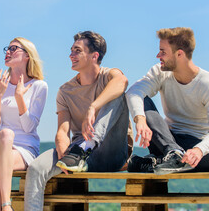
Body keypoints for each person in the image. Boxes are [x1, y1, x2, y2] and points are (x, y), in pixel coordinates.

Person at [24, 31, 132, 210]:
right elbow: (62, 131)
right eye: (71, 50)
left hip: (112, 151)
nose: (71, 55)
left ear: (94, 56)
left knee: (119, 95)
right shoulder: (65, 91)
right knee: (36, 169)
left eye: (77, 51)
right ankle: (78, 153)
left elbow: (122, 81)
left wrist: (93, 107)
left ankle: (86, 146)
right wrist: (62, 153)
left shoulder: (109, 76)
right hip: (77, 154)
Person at [126, 27, 209, 175]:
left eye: (163, 52)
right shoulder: (160, 72)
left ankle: (160, 164)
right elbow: (134, 91)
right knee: (142, 100)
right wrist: (140, 119)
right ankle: (172, 157)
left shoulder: (208, 83)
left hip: (194, 143)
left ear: (179, 54)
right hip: (164, 140)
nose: (158, 56)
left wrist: (198, 151)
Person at [0, 37, 48, 211]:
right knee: (5, 133)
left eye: (13, 48)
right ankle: (6, 205)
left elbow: (29, 127)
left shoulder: (39, 86)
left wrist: (19, 98)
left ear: (27, 55)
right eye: (7, 49)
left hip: (25, 148)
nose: (8, 52)